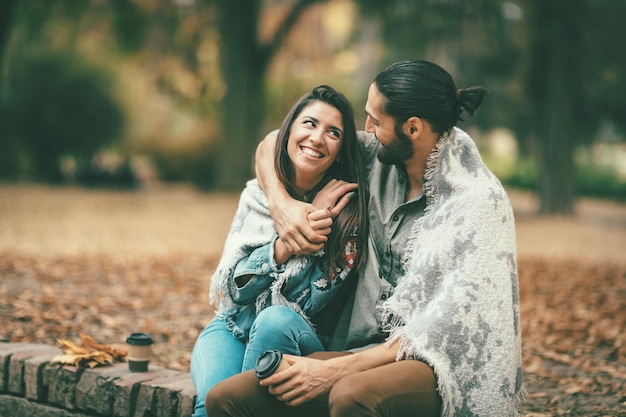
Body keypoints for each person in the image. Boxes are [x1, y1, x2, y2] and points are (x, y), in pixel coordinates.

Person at [204, 59, 523, 417]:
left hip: (434, 362)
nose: (367, 128)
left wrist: (331, 370)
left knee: (350, 395)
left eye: (375, 119)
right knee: (227, 400)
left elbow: (446, 328)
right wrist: (284, 207)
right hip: (359, 352)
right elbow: (274, 142)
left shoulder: (477, 201)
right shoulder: (379, 157)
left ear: (412, 128)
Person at [189, 85, 369, 417]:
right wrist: (284, 244)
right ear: (288, 133)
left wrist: (321, 219)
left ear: (341, 152)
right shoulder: (258, 195)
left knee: (273, 321)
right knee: (209, 404)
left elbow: (313, 305)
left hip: (298, 337)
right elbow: (234, 290)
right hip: (234, 327)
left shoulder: (348, 215)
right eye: (310, 123)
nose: (317, 138)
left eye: (333, 133)